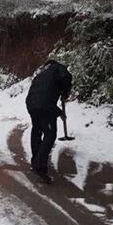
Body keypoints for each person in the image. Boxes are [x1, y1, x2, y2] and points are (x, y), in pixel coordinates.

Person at [25, 56, 72, 184]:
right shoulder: (58, 68)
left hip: (31, 103)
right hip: (44, 104)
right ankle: (40, 166)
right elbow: (67, 77)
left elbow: (42, 92)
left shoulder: (41, 73)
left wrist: (58, 111)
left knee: (37, 130)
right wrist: (65, 93)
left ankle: (36, 161)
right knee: (50, 134)